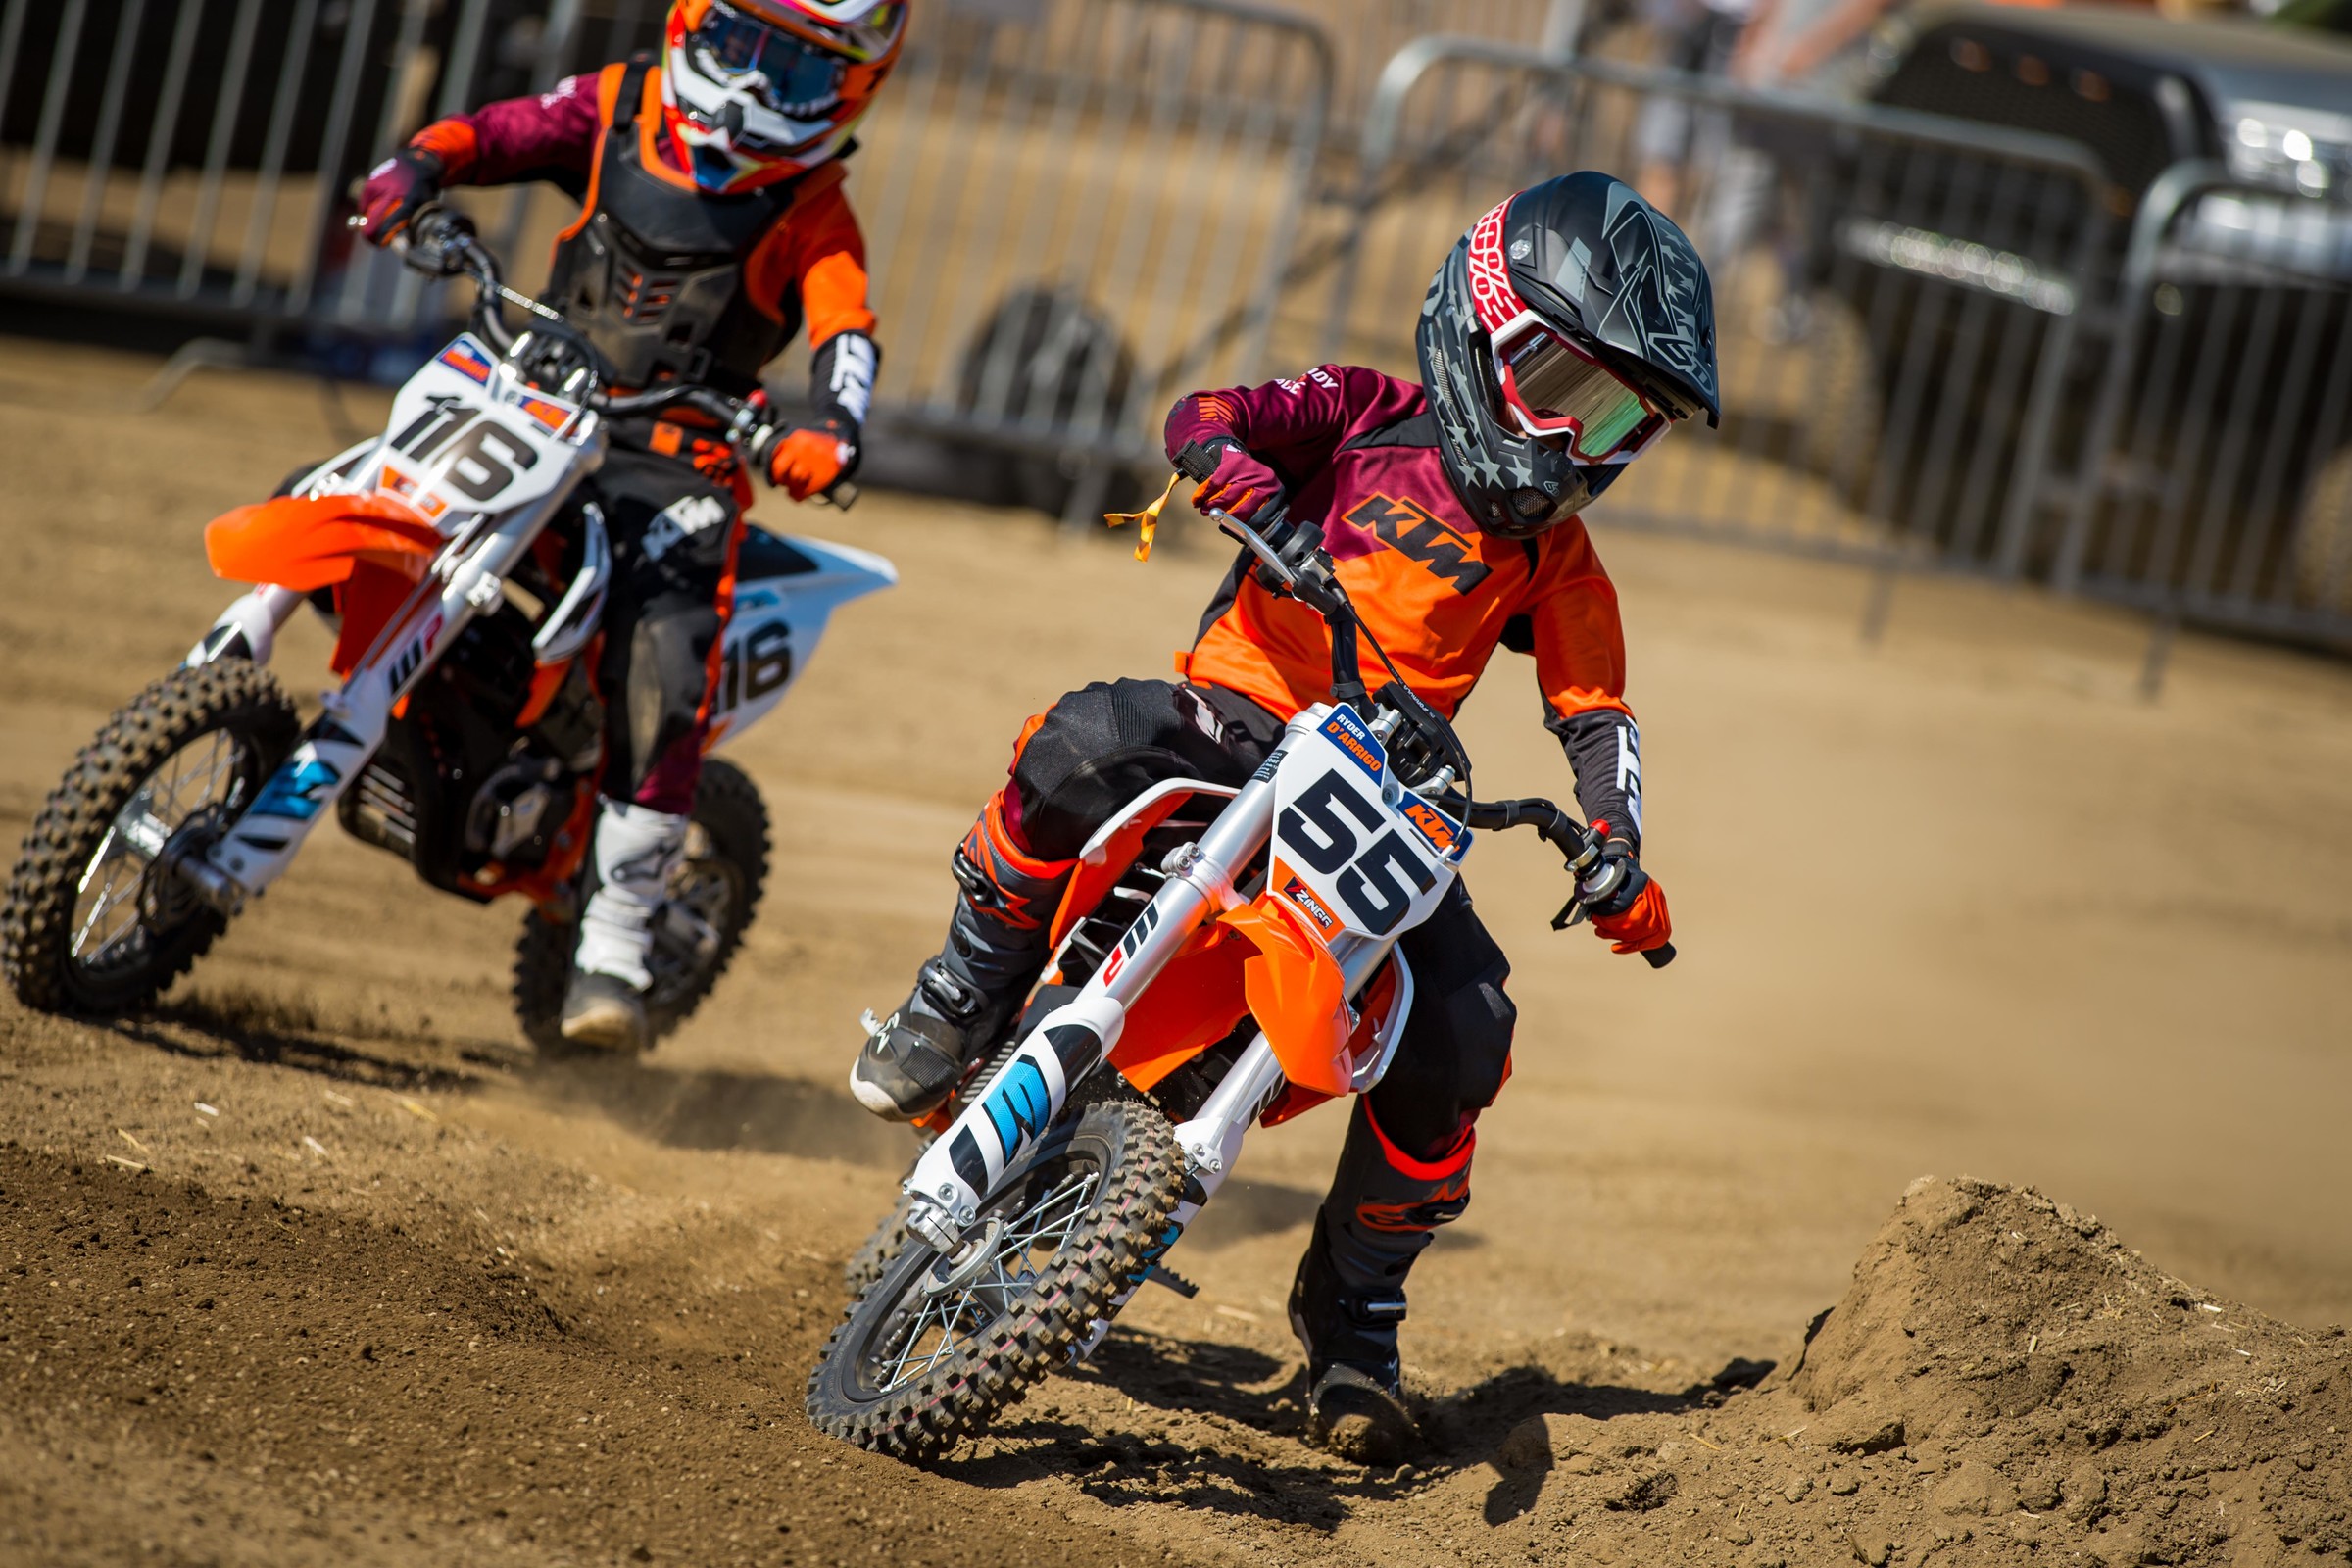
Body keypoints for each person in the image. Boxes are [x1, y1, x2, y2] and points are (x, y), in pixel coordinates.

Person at [848, 172, 1719, 1462]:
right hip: (1239, 723)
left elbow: (1598, 712)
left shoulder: (1555, 562)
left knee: (1469, 1031)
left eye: (1613, 420)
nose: (1572, 440)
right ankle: (960, 995)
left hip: (1391, 793)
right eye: (1560, 385)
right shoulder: (1367, 417)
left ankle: (1355, 1317)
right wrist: (1249, 495)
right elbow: (1205, 416)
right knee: (1083, 738)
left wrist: (1615, 845)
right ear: (1478, 323)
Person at [349, 0, 906, 1052]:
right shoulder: (622, 107)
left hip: (677, 458)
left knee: (664, 652)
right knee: (356, 487)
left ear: (850, 88)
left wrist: (834, 427)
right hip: (527, 393)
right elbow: (502, 131)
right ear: (694, 21)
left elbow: (846, 330)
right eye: (738, 44)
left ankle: (613, 939)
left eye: (790, 71)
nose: (747, 87)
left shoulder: (811, 208)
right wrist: (416, 167)